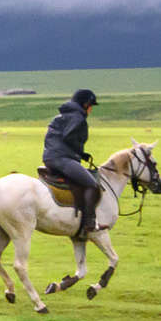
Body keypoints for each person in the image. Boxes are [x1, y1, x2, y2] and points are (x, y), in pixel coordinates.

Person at [43, 88, 100, 239]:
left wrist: (81, 154)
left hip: (50, 158)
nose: (91, 109)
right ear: (85, 104)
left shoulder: (62, 116)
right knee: (92, 184)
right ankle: (90, 222)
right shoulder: (77, 118)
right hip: (62, 159)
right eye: (91, 106)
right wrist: (80, 152)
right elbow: (69, 137)